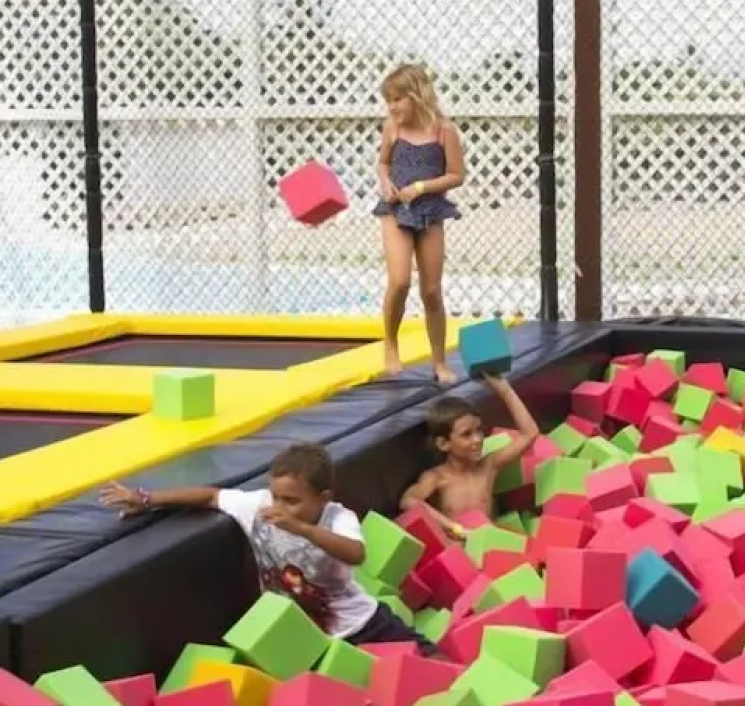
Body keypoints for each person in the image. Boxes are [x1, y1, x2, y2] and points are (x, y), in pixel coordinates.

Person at [98, 442, 438, 655]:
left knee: (431, 663)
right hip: (298, 635)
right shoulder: (259, 506)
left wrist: (302, 529)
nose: (280, 506)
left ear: (322, 499)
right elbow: (210, 496)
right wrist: (146, 498)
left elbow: (355, 553)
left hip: (360, 624)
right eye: (277, 496)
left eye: (292, 501)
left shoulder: (337, 517)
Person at [372, 64, 464, 384]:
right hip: (395, 211)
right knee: (399, 281)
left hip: (430, 211)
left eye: (398, 99)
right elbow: (383, 162)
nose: (392, 106)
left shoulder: (443, 131)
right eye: (389, 101)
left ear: (417, 96)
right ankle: (390, 344)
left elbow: (457, 174)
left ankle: (439, 362)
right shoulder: (392, 129)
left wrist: (422, 187)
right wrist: (385, 181)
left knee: (431, 290)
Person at [399, 375, 540, 536]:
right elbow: (408, 501)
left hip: (490, 546)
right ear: (443, 444)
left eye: (479, 430)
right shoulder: (437, 477)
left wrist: (504, 389)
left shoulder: (489, 465)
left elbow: (530, 433)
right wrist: (454, 528)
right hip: (460, 551)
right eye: (466, 434)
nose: (478, 439)